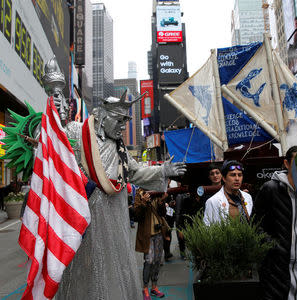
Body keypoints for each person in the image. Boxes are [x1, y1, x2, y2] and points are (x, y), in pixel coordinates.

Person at [36, 57, 188, 299]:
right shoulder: (78, 132)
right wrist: (54, 105)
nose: (122, 126)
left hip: (114, 217)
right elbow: (52, 138)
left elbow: (135, 172)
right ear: (101, 116)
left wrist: (162, 171)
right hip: (84, 217)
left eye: (125, 122)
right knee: (84, 271)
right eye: (118, 121)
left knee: (114, 267)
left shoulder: (119, 147)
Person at [253, 145, 297, 300]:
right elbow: (255, 225)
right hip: (278, 266)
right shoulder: (270, 188)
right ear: (287, 164)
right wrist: (275, 247)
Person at [135, 187, 170, 299]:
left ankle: (154, 287)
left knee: (157, 260)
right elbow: (136, 215)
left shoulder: (158, 191)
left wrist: (161, 201)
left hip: (159, 233)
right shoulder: (140, 193)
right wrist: (144, 202)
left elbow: (163, 213)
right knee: (149, 261)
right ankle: (145, 288)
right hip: (147, 235)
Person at [203, 160, 252, 225]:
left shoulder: (247, 197)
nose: (237, 178)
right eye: (233, 175)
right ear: (224, 178)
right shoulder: (213, 201)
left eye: (240, 175)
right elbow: (207, 228)